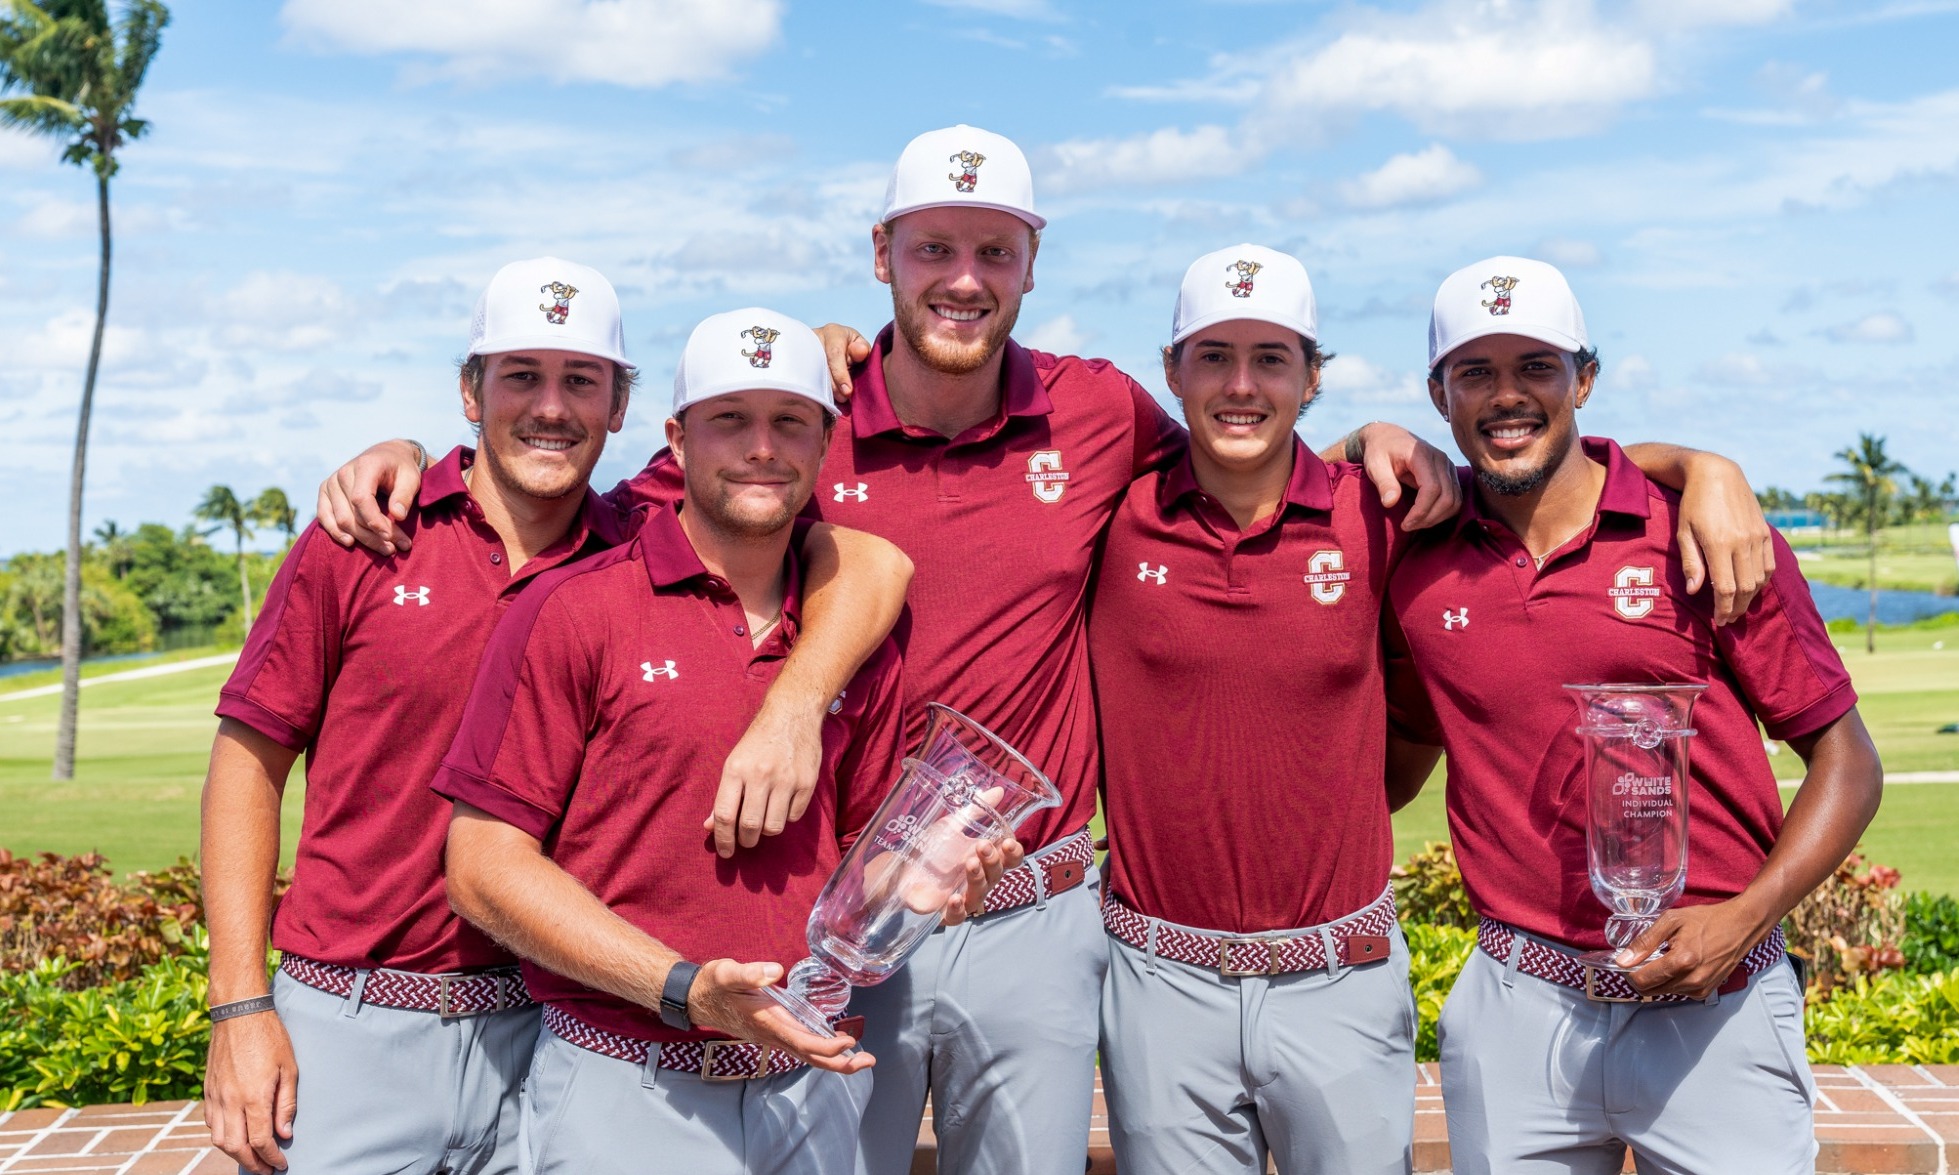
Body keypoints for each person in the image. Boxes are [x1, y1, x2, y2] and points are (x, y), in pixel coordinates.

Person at [200, 262, 907, 1175]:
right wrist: (239, 1007)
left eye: (581, 380)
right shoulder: (369, 533)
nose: (550, 406)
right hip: (358, 1014)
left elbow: (856, 548)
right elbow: (246, 764)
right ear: (470, 392)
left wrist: (794, 705)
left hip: (553, 1021)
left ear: (619, 407)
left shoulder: (637, 537)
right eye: (520, 375)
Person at [431, 309, 1016, 1175]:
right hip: (626, 1082)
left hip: (809, 1090)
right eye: (730, 419)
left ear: (825, 443)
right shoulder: (575, 608)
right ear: (677, 439)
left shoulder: (853, 635)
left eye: (789, 421)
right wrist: (684, 989)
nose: (761, 448)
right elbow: (482, 866)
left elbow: (853, 856)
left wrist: (919, 879)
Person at [1383, 256, 1884, 1175]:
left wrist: (1747, 915)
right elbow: (1399, 758)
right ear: (1437, 394)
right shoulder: (1416, 556)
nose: (1506, 395)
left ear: (1583, 379)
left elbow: (1846, 760)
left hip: (1717, 1007)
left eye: (1536, 367)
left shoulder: (1700, 531)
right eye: (1475, 371)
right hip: (1518, 1012)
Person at [1090, 244, 1424, 1175]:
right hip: (1158, 982)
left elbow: (1547, 484)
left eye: (1271, 358)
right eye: (1213, 356)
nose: (1241, 385)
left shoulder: (1381, 514)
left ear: (1313, 376)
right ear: (1172, 371)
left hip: (1343, 976)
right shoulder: (1109, 518)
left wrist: (1701, 466)